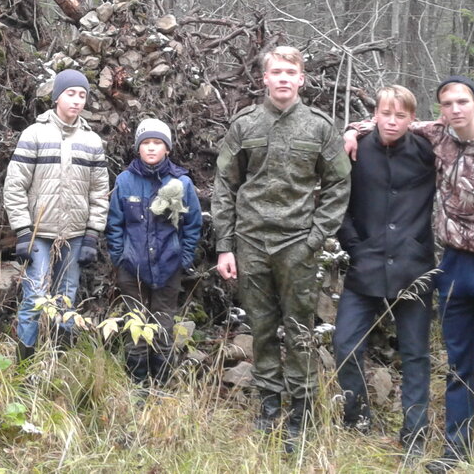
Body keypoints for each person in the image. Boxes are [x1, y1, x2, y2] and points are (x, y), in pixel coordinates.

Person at [344, 76, 474, 470]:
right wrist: (354, 127)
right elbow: (394, 122)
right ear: (441, 110)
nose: (455, 109)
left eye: (462, 102)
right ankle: (456, 451)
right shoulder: (440, 136)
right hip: (451, 264)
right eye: (447, 103)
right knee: (458, 361)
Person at [213, 45, 350, 450]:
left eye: (292, 71)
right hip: (251, 242)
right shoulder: (245, 124)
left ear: (302, 79)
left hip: (298, 245)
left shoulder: (320, 127)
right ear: (265, 79)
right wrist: (225, 245)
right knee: (262, 329)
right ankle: (269, 407)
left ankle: (301, 413)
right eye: (277, 71)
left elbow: (339, 184)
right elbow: (225, 185)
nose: (284, 78)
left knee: (300, 329)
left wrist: (316, 236)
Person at [332, 85, 436, 459]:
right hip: (366, 265)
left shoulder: (428, 150)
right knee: (345, 344)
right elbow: (337, 201)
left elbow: (463, 130)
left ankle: (414, 433)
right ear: (374, 114)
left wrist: (419, 246)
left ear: (413, 119)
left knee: (415, 353)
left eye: (401, 115)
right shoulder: (356, 150)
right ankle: (357, 419)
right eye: (385, 113)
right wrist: (354, 246)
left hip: (414, 268)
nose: (392, 122)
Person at [3, 68, 110, 360]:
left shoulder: (92, 142)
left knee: (67, 299)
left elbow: (99, 193)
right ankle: (23, 367)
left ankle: (57, 361)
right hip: (39, 234)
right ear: (57, 97)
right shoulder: (34, 134)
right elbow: (15, 186)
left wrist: (91, 235)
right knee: (34, 298)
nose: (76, 100)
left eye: (82, 95)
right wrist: (24, 232)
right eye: (70, 93)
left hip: (75, 235)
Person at [105, 118, 202, 385]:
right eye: (146, 143)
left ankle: (161, 386)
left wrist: (183, 258)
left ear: (167, 149)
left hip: (168, 268)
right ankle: (137, 388)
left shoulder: (182, 183)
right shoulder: (125, 181)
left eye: (157, 143)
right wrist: (119, 256)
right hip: (131, 269)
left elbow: (193, 224)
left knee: (162, 329)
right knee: (135, 328)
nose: (151, 148)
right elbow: (114, 223)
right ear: (138, 148)